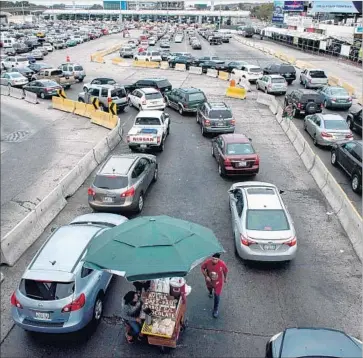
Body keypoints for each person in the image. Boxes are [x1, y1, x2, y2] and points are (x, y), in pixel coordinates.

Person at [201, 253, 228, 318]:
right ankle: (210, 292)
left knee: (217, 295)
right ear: (211, 258)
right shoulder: (207, 262)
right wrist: (206, 276)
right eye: (213, 259)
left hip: (218, 283)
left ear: (218, 259)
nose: (214, 261)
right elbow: (202, 268)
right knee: (209, 289)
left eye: (216, 259)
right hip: (209, 282)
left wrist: (225, 278)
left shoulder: (222, 264)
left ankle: (215, 309)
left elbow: (225, 271)